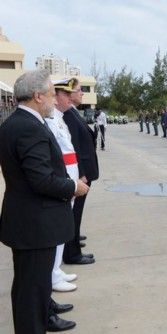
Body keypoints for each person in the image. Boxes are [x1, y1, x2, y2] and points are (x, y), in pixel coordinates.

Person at [0, 70, 89, 333]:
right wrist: (74, 186)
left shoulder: (15, 123)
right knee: (33, 292)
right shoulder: (29, 128)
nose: (54, 99)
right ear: (38, 96)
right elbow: (41, 180)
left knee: (29, 288)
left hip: (26, 221)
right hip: (36, 224)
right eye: (51, 94)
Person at [47, 79, 81, 293]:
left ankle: (56, 271)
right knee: (57, 228)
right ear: (57, 96)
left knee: (62, 225)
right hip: (64, 179)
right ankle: (52, 274)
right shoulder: (50, 120)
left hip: (70, 177)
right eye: (65, 94)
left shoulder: (59, 119)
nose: (70, 98)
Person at [62, 78, 99, 265]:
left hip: (83, 170)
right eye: (78, 90)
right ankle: (72, 252)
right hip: (80, 172)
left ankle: (74, 239)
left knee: (77, 212)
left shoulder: (73, 112)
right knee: (74, 213)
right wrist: (81, 173)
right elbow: (74, 146)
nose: (81, 93)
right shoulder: (68, 114)